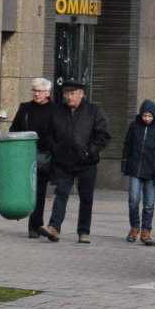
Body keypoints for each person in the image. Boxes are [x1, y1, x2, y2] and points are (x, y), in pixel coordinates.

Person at [42, 79, 110, 244]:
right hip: (63, 162)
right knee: (61, 194)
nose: (69, 97)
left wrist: (90, 151)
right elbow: (48, 133)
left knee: (86, 198)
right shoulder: (57, 112)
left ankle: (83, 232)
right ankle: (54, 228)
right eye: (66, 94)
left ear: (81, 94)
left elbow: (103, 135)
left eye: (72, 94)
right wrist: (55, 148)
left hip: (86, 162)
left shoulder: (94, 111)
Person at [9, 77, 56, 238]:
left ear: (48, 93)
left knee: (40, 191)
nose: (37, 94)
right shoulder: (25, 108)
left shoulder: (55, 110)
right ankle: (33, 225)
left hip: (45, 156)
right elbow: (14, 129)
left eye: (40, 91)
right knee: (29, 190)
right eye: (35, 91)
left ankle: (35, 226)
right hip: (25, 155)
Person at [120, 99, 155, 245]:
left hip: (152, 172)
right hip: (136, 169)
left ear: (154, 116)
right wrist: (124, 166)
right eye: (145, 115)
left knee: (149, 204)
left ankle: (146, 230)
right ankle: (134, 227)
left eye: (150, 116)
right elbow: (127, 146)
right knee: (133, 200)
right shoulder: (134, 127)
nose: (147, 119)